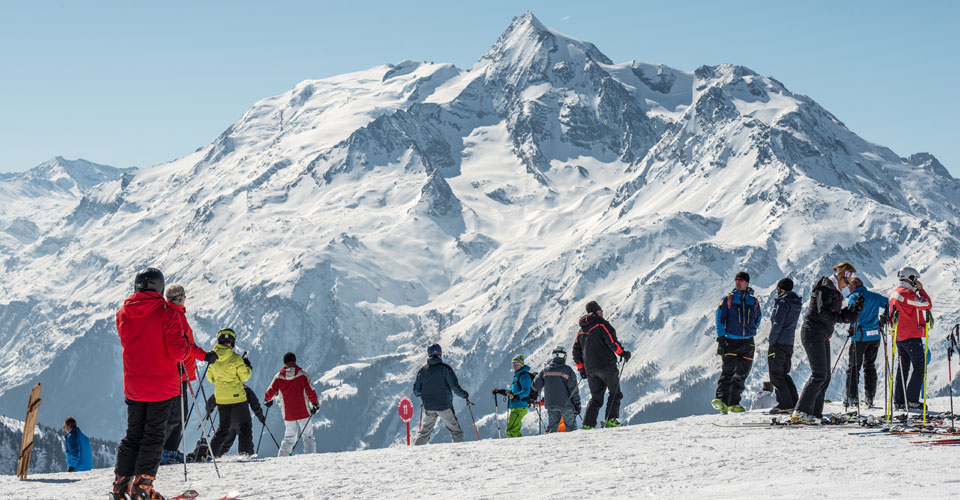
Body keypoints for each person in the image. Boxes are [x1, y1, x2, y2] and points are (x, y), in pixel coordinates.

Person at [113, 267, 212, 500]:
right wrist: (193, 351)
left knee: (133, 435)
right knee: (154, 436)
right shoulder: (167, 313)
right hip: (162, 387)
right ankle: (142, 487)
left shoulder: (122, 314)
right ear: (159, 287)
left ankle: (121, 484)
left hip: (134, 386)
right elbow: (178, 353)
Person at [791, 262, 863, 424]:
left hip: (822, 334)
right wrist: (845, 317)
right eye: (847, 280)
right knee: (819, 374)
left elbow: (833, 314)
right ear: (842, 275)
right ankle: (801, 411)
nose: (847, 285)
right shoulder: (825, 288)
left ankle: (815, 413)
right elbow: (823, 313)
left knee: (825, 376)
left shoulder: (834, 290)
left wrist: (852, 312)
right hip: (813, 332)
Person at [160, 284, 211, 465]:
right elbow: (185, 346)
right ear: (181, 297)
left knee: (179, 415)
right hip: (178, 372)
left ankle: (169, 451)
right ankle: (162, 452)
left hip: (178, 371)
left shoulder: (174, 314)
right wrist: (204, 355)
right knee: (176, 415)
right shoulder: (176, 316)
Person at [573, 301, 630, 429]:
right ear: (596, 312)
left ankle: (588, 425)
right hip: (606, 366)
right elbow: (612, 341)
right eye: (601, 310)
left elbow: (575, 352)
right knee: (615, 393)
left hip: (590, 370)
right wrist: (623, 353)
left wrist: (582, 369)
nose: (602, 313)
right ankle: (611, 420)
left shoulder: (581, 331)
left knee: (596, 398)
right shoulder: (601, 324)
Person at [713, 271, 762, 414]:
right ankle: (721, 401)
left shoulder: (753, 301)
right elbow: (719, 319)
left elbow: (757, 319)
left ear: (747, 282)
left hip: (748, 342)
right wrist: (721, 339)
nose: (738, 282)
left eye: (741, 280)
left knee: (742, 373)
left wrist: (750, 330)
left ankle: (734, 403)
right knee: (728, 372)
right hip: (731, 341)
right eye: (736, 280)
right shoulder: (728, 299)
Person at [889, 266, 933, 411]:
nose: (917, 282)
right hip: (911, 336)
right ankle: (912, 400)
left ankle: (899, 402)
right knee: (920, 366)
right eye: (916, 279)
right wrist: (921, 290)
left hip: (899, 336)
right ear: (911, 278)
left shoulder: (894, 293)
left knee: (903, 368)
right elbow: (927, 304)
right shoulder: (907, 293)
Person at [207, 328, 254, 457]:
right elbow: (244, 377)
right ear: (232, 342)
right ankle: (246, 454)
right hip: (238, 398)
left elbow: (210, 378)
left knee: (223, 428)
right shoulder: (236, 358)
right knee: (245, 426)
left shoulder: (212, 358)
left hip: (221, 398)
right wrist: (248, 367)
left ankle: (211, 455)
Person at [411, 344, 470, 445]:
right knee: (456, 432)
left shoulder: (422, 370)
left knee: (424, 433)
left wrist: (427, 393)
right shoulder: (445, 369)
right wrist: (465, 395)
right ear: (440, 354)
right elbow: (455, 387)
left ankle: (415, 453)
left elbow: (416, 391)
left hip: (429, 406)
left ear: (429, 354)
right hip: (444, 406)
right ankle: (460, 455)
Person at [264, 352, 320, 455]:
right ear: (294, 361)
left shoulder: (279, 376)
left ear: (284, 363)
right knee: (308, 436)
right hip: (304, 411)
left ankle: (282, 459)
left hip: (288, 413)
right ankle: (311, 457)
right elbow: (310, 391)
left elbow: (269, 394)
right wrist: (315, 404)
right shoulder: (303, 375)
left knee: (289, 438)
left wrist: (267, 401)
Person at [844, 277, 888, 408]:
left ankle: (851, 398)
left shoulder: (854, 297)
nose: (848, 287)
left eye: (849, 284)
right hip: (874, 336)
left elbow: (851, 314)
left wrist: (850, 325)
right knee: (869, 367)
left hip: (859, 337)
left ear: (855, 285)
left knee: (853, 368)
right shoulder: (874, 296)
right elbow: (890, 304)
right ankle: (869, 397)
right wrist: (885, 319)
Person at [767, 277, 801, 413]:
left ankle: (784, 404)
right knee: (784, 373)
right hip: (789, 342)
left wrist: (771, 341)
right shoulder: (796, 302)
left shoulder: (783, 302)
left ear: (781, 289)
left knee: (776, 375)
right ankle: (794, 402)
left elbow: (777, 323)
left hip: (779, 342)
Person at [202, 386, 267, 456]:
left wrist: (209, 411)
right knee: (245, 440)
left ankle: (211, 456)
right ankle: (246, 456)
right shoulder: (244, 389)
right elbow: (255, 404)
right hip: (241, 420)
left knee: (224, 444)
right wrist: (261, 417)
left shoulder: (222, 389)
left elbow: (211, 401)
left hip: (228, 422)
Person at [533, 346, 581, 432]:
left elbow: (535, 386)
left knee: (552, 429)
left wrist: (538, 376)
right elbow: (573, 389)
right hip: (566, 404)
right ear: (564, 357)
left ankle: (549, 444)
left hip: (551, 404)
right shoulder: (568, 370)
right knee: (571, 428)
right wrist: (577, 404)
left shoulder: (545, 370)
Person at [492, 354, 532, 437]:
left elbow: (526, 391)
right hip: (516, 406)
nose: (514, 366)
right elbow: (513, 391)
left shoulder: (524, 376)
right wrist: (501, 391)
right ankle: (520, 447)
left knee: (511, 431)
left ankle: (521, 447)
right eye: (513, 364)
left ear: (521, 364)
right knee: (512, 430)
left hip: (520, 406)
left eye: (516, 364)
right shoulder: (517, 375)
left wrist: (515, 396)